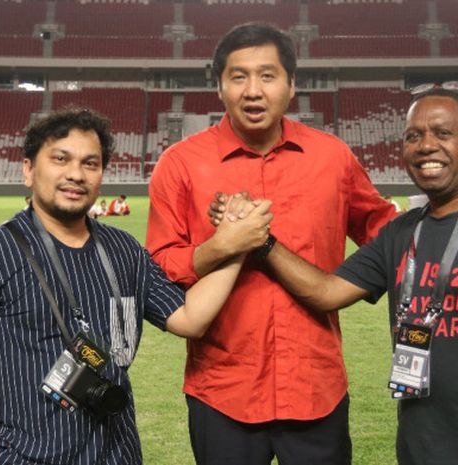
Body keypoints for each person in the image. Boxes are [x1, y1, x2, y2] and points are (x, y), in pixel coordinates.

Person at [226, 88, 458, 465]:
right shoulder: (400, 233)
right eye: (413, 136)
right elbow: (324, 292)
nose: (426, 146)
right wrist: (261, 239)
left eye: (442, 133)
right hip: (422, 452)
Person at [0, 107, 271, 465]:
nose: (75, 174)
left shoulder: (123, 250)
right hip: (26, 457)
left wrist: (235, 245)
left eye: (90, 164)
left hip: (117, 456)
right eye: (60, 159)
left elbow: (189, 318)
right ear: (29, 170)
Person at [146, 22, 396, 465]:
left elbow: (383, 233)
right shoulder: (180, 164)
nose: (253, 90)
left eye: (267, 75)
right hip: (222, 390)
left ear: (292, 83)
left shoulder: (332, 157)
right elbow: (160, 267)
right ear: (219, 85)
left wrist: (356, 285)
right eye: (238, 76)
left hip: (316, 386)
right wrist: (223, 246)